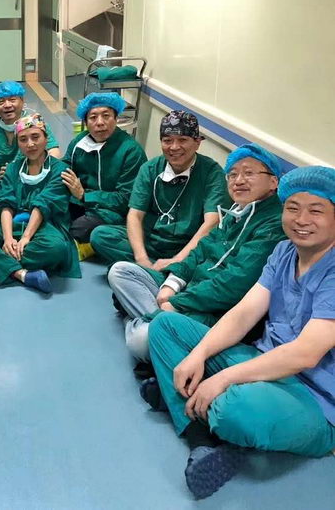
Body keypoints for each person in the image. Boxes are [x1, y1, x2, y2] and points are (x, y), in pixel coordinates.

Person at [145, 165, 335, 499]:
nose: (301, 219)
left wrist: (221, 378)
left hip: (316, 400)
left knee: (235, 409)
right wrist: (199, 355)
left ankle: (188, 405)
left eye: (316, 210)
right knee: (165, 326)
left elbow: (305, 354)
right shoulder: (284, 252)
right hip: (261, 362)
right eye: (293, 208)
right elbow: (244, 314)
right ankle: (203, 438)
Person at [110, 143, 285, 362]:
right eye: (232, 175)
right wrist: (171, 285)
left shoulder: (274, 225)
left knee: (140, 341)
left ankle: (141, 321)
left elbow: (234, 285)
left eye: (248, 173)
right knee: (121, 271)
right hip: (190, 291)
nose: (238, 180)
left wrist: (178, 302)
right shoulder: (235, 212)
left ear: (273, 182)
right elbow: (200, 251)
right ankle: (158, 326)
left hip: (214, 309)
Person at [0, 113, 80, 294]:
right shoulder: (13, 168)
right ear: (18, 143)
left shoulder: (60, 169)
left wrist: (26, 237)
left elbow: (42, 205)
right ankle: (21, 274)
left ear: (46, 139)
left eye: (35, 137)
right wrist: (8, 238)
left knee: (57, 248)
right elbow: (6, 203)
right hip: (12, 224)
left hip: (45, 227)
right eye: (23, 139)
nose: (30, 144)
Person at [90, 110, 228, 267]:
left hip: (188, 246)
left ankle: (165, 270)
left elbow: (212, 222)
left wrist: (177, 259)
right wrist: (141, 258)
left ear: (197, 143)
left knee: (210, 256)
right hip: (150, 241)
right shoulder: (150, 169)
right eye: (167, 140)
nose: (174, 147)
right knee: (101, 236)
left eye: (182, 140)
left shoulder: (212, 173)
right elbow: (135, 216)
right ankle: (157, 271)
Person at [61, 92, 146, 260]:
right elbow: (64, 167)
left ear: (116, 119)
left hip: (112, 211)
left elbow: (126, 199)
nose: (100, 122)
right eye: (93, 117)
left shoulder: (131, 151)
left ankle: (87, 244)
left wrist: (85, 195)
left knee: (79, 228)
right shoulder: (79, 142)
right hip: (79, 202)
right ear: (85, 122)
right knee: (52, 213)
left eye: (106, 116)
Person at [0, 80, 60, 221]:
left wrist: (25, 170)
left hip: (33, 178)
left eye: (12, 100)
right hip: (4, 180)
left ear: (22, 101)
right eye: (1, 102)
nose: (7, 105)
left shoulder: (35, 122)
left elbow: (54, 152)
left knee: (51, 188)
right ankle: (25, 211)